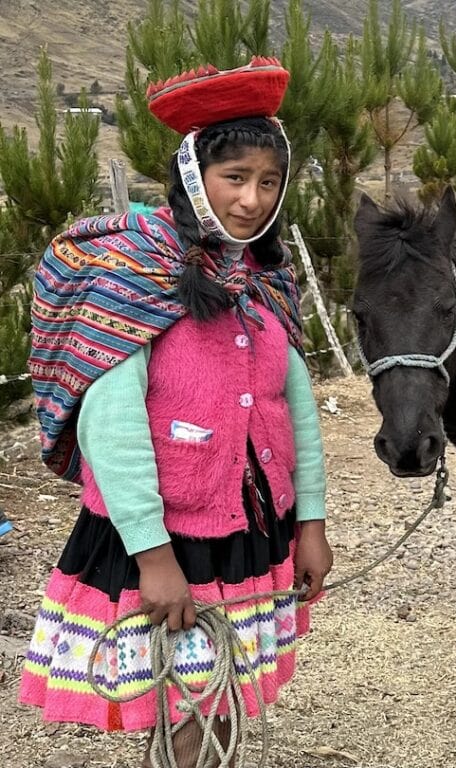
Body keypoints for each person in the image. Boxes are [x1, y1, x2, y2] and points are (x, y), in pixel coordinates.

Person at [20, 57, 333, 767]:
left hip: (250, 526)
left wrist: (308, 522)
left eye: (268, 182)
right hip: (164, 536)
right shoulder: (133, 275)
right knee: (181, 688)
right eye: (235, 179)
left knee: (222, 685)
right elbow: (112, 424)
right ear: (195, 178)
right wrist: (153, 557)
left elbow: (297, 411)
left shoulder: (262, 278)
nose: (252, 200)